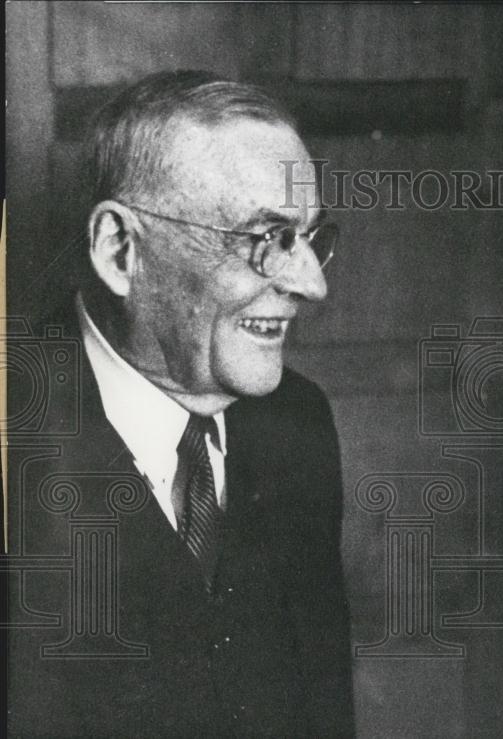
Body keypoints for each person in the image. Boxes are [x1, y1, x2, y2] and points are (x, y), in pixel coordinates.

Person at [6, 71, 355, 735]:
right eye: (264, 238)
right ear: (120, 250)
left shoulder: (298, 423)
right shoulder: (13, 437)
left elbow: (324, 710)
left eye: (309, 237)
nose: (310, 282)